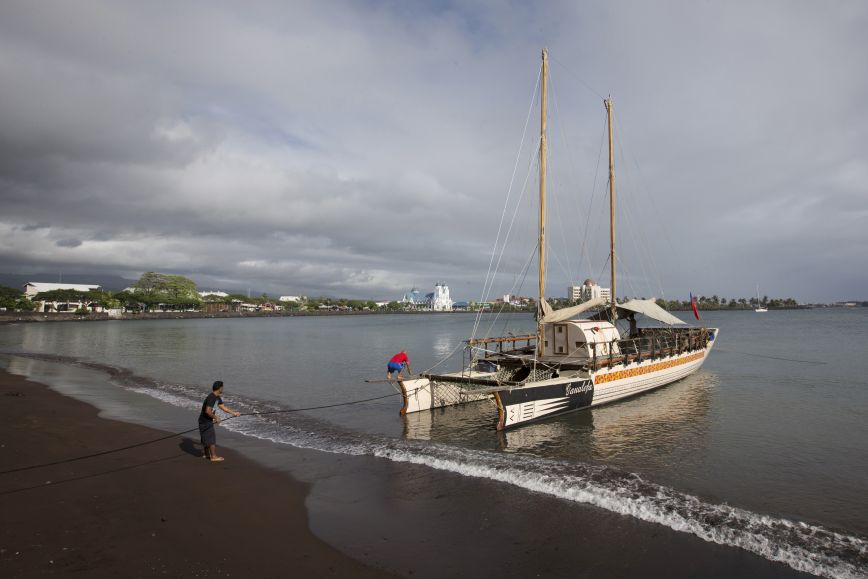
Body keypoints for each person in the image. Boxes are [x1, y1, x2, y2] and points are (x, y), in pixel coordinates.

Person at [198, 380, 240, 462]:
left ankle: (207, 455)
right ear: (219, 388)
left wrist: (234, 413)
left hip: (206, 420)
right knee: (211, 438)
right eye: (222, 387)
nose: (223, 389)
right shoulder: (212, 397)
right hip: (205, 421)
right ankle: (213, 457)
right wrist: (216, 417)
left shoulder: (217, 397)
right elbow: (208, 411)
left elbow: (223, 407)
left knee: (206, 438)